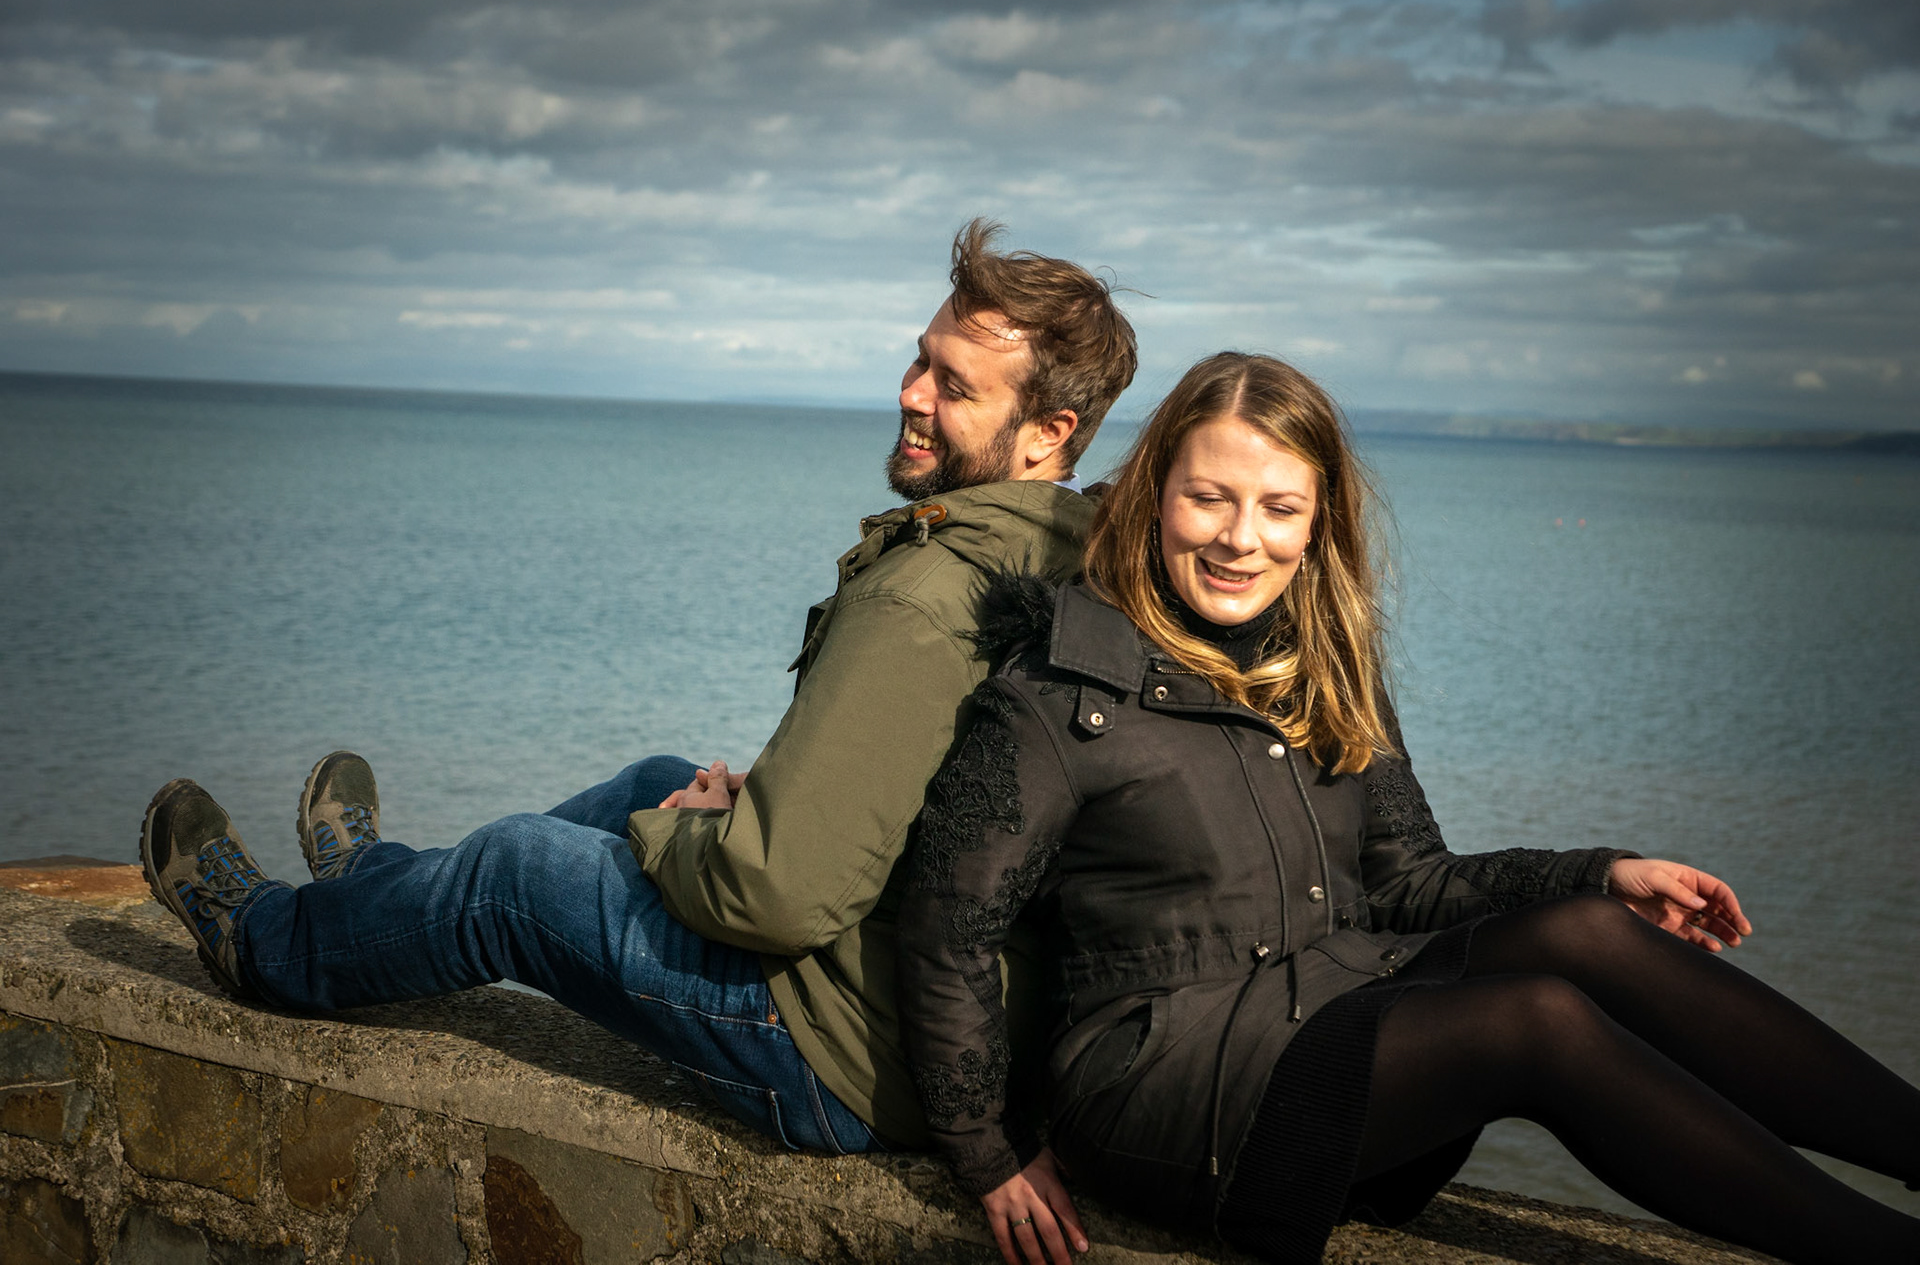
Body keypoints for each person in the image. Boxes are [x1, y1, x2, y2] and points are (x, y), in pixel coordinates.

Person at [139, 218, 1137, 1157]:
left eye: (954, 385)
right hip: (922, 1016)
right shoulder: (1059, 559)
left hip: (842, 1059)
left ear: (1049, 432)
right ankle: (376, 892)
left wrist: (688, 834)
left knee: (515, 870)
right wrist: (744, 808)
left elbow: (781, 896)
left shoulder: (927, 595)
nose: (914, 392)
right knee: (654, 776)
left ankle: (264, 941)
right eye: (921, 358)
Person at [896, 351, 1920, 1265]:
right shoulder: (1058, 691)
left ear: (1319, 519)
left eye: (1279, 508)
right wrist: (987, 1153)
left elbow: (1412, 881)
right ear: (1157, 494)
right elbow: (948, 929)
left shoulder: (1322, 670)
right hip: (1166, 1085)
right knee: (1539, 1019)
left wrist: (1602, 871)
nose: (1240, 539)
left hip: (1328, 1018)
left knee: (1583, 931)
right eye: (1209, 498)